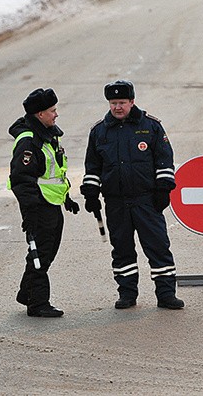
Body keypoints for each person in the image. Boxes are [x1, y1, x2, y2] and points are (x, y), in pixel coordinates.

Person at [81, 80, 184, 310]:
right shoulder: (99, 131)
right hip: (116, 203)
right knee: (122, 249)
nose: (118, 107)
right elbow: (93, 166)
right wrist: (90, 191)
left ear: (132, 102)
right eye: (113, 103)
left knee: (158, 247)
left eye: (122, 102)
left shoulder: (151, 127)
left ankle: (166, 294)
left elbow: (164, 160)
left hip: (146, 200)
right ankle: (127, 293)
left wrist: (164, 189)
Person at [8, 88, 80, 318]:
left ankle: (26, 293)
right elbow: (22, 179)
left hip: (51, 202)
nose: (56, 114)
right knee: (41, 252)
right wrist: (29, 212)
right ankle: (38, 302)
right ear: (40, 114)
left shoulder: (48, 135)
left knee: (48, 250)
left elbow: (54, 172)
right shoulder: (29, 142)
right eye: (52, 110)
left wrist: (66, 197)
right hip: (38, 205)